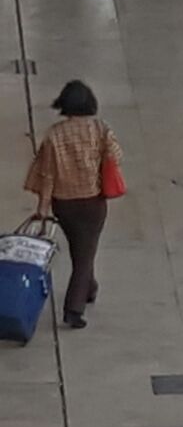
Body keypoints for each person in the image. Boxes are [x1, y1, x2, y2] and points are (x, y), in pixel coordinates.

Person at [23, 80, 121, 328]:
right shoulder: (100, 129)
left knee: (83, 249)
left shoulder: (54, 135)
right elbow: (116, 156)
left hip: (64, 204)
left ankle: (90, 287)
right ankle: (73, 309)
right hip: (92, 201)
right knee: (85, 253)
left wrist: (43, 208)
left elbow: (47, 174)